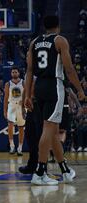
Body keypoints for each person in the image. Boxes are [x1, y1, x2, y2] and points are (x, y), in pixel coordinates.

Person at [25, 15, 86, 185]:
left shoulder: (34, 42)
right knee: (49, 128)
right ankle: (40, 172)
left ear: (44, 26)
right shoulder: (60, 41)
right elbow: (69, 68)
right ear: (58, 26)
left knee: (53, 129)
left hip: (39, 87)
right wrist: (80, 90)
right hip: (54, 86)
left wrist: (28, 95)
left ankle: (65, 170)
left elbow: (29, 71)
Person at [3, 67, 25, 156]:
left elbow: (27, 94)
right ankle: (12, 146)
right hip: (11, 105)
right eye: (12, 72)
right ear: (11, 74)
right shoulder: (8, 84)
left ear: (18, 73)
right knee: (10, 125)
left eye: (15, 72)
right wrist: (5, 110)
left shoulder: (23, 82)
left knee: (21, 127)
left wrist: (24, 106)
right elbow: (5, 98)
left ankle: (20, 148)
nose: (14, 73)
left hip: (21, 106)